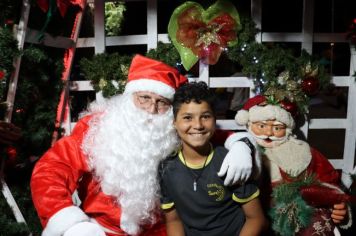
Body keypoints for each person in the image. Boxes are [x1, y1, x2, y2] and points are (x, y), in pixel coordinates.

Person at [30, 55, 255, 236]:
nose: (151, 109)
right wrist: (71, 223)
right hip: (98, 229)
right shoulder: (99, 127)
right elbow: (50, 171)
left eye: (162, 103)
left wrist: (240, 144)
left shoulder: (173, 130)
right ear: (130, 97)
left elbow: (208, 131)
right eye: (144, 98)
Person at [159, 81, 267, 236]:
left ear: (215, 120)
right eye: (188, 117)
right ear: (174, 123)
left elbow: (256, 219)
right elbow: (173, 220)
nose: (198, 125)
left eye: (205, 116)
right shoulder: (166, 167)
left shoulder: (231, 161)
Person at [234, 94, 351, 235]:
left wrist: (339, 208)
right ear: (249, 124)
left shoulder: (303, 152)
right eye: (262, 126)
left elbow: (329, 182)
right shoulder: (241, 151)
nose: (269, 133)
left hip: (297, 215)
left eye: (277, 128)